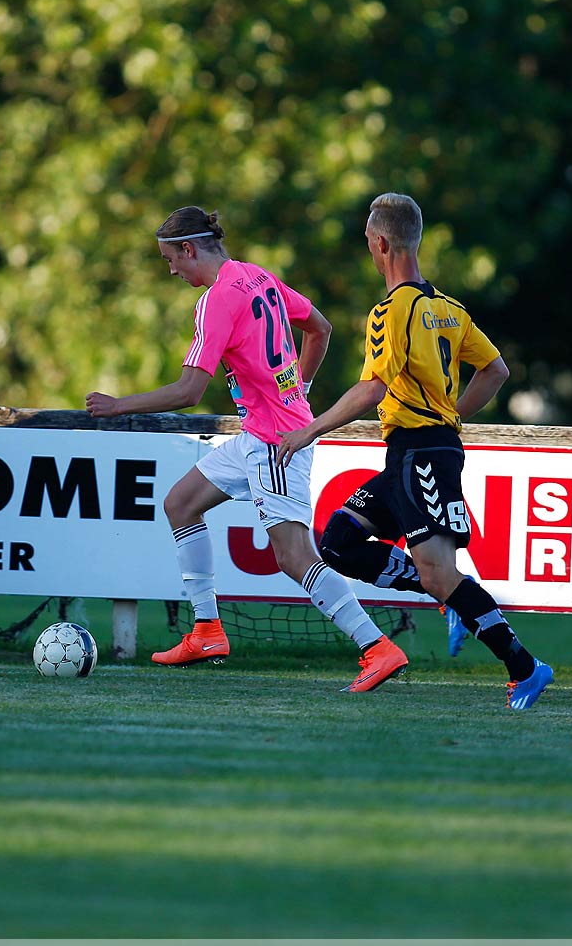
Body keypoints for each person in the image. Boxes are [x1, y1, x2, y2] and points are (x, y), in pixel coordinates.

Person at [85, 207, 409, 693]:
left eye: (171, 259)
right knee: (180, 503)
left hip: (277, 442)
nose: (171, 270)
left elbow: (190, 390)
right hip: (260, 434)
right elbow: (320, 327)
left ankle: (377, 647)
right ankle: (206, 631)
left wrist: (120, 406)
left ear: (189, 249)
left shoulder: (216, 301)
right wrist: (300, 387)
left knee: (294, 557)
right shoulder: (256, 275)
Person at [275, 193, 556, 711]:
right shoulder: (449, 309)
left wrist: (308, 429)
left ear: (380, 243)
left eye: (366, 241)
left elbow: (371, 389)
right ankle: (451, 598)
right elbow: (495, 370)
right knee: (338, 539)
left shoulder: (390, 310)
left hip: (418, 452)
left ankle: (525, 666)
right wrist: (453, 415)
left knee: (438, 573)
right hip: (418, 450)